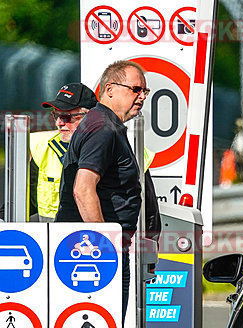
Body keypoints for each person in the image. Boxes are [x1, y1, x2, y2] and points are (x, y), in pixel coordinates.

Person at [56, 60, 152, 315]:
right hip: (94, 252)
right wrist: (104, 247)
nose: (141, 96)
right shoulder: (103, 129)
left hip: (91, 248)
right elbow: (83, 189)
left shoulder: (104, 124)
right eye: (135, 89)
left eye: (145, 91)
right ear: (110, 89)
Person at [31, 83, 98, 222]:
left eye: (66, 117)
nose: (59, 123)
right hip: (51, 241)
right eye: (56, 115)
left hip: (100, 240)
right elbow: (25, 200)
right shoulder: (42, 147)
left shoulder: (121, 148)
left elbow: (148, 215)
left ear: (90, 117)